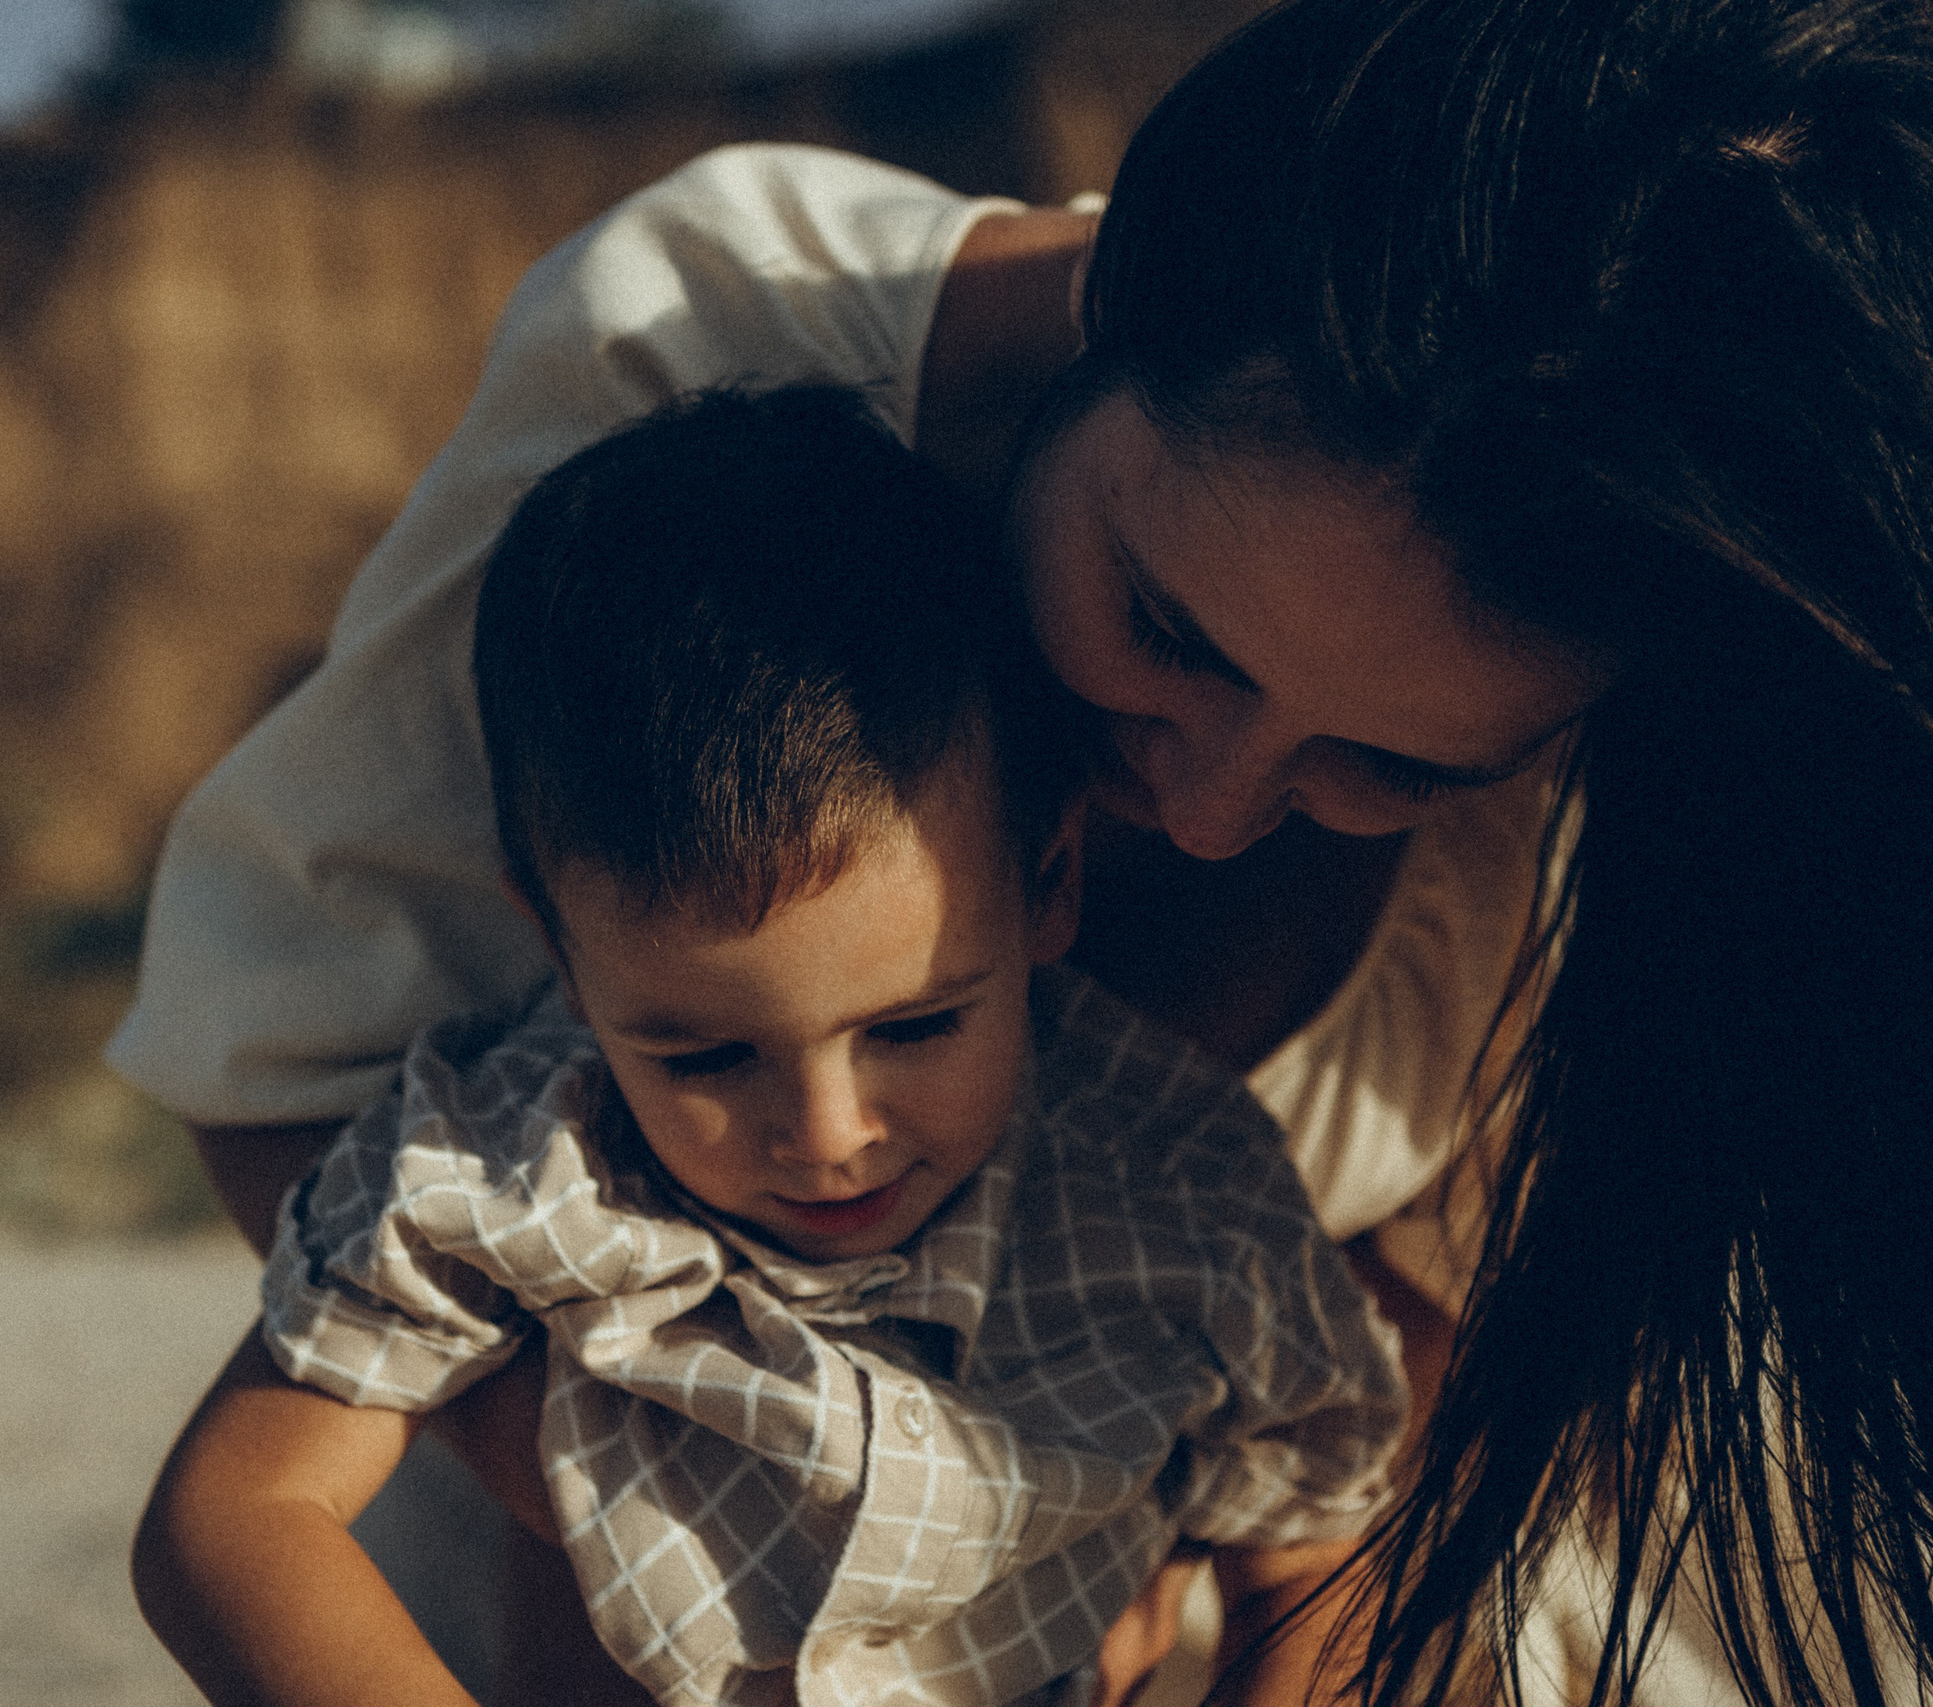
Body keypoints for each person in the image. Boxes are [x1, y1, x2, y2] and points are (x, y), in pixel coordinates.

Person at [124, 2, 1933, 1701]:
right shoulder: (709, 374)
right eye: (1169, 630)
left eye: (1392, 760)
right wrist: (839, 1521)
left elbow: (1406, 1433)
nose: (1215, 810)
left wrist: (1098, 1547)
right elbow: (298, 1057)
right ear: (1112, 313)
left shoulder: (1620, 790)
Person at [146, 385, 1411, 1707]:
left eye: (915, 1025)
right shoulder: (516, 1159)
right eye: (703, 1057)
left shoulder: (1184, 1193)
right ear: (564, 956)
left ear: (1049, 885)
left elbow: (1319, 1560)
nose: (826, 1132)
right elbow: (236, 1516)